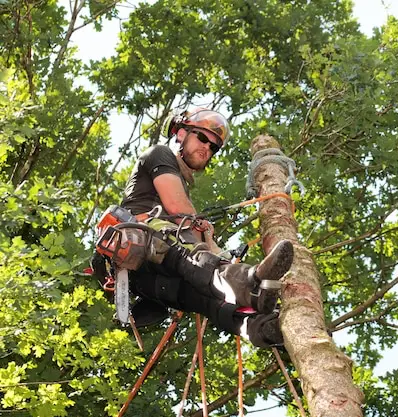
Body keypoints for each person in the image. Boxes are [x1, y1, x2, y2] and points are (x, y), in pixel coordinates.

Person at [93, 107, 291, 348]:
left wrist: (213, 244)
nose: (207, 148)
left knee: (207, 298)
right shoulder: (160, 154)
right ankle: (251, 283)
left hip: (149, 278)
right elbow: (178, 209)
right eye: (202, 138)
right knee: (190, 255)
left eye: (213, 147)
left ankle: (265, 328)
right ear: (180, 134)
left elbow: (189, 228)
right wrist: (200, 230)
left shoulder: (182, 190)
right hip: (143, 244)